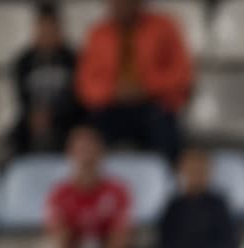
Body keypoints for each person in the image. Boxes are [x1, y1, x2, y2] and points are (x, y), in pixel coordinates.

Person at [29, 125, 140, 248]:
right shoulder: (60, 195)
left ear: (101, 153)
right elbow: (62, 246)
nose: (86, 156)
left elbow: (118, 242)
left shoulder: (118, 191)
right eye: (81, 150)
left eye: (91, 149)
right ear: (70, 154)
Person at [74, 0, 193, 162]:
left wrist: (146, 87)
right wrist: (114, 91)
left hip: (154, 105)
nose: (121, 6)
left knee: (165, 131)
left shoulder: (164, 27)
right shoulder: (98, 33)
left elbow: (181, 74)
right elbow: (86, 84)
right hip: (111, 106)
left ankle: (168, 179)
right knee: (87, 134)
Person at [151, 148, 239, 248]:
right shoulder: (173, 207)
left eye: (200, 170)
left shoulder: (219, 206)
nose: (195, 175)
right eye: (190, 170)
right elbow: (163, 244)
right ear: (180, 172)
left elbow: (227, 245)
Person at [10, 3, 81, 155]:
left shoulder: (72, 59)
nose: (47, 33)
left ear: (59, 29)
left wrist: (54, 115)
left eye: (51, 28)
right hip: (32, 118)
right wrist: (34, 114)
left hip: (66, 119)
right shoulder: (24, 61)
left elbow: (77, 97)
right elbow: (21, 97)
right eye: (43, 28)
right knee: (14, 137)